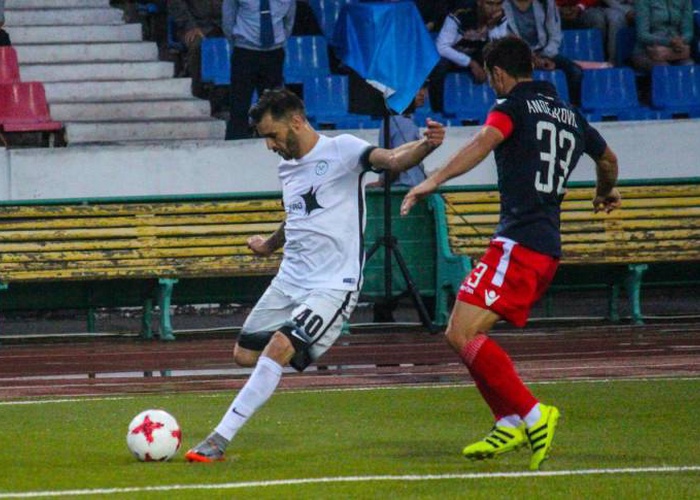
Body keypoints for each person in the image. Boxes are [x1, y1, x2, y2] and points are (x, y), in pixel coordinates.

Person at [185, 88, 445, 462]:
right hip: (290, 280)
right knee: (244, 355)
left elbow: (392, 159)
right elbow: (296, 216)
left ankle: (218, 439)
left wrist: (426, 145)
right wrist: (269, 245)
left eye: (272, 136)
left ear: (296, 121)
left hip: (333, 284)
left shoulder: (343, 150)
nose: (269, 146)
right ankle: (296, 349)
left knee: (278, 347)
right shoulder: (287, 168)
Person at [400, 36, 620, 470]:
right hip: (544, 248)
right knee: (462, 333)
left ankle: (532, 414)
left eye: (489, 78)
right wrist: (604, 192)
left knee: (461, 334)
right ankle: (507, 422)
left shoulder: (512, 107)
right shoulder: (571, 115)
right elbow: (608, 160)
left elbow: (484, 140)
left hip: (519, 244)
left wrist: (433, 179)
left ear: (498, 74)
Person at [223, 0, 296, 140]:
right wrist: (238, 41)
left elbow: (289, 20)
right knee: (239, 102)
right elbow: (228, 19)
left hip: (274, 53)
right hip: (245, 51)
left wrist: (278, 41)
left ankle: (272, 141)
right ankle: (235, 142)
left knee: (273, 104)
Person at [430, 0, 509, 113]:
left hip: (477, 54)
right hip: (453, 57)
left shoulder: (500, 17)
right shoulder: (460, 14)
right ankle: (437, 111)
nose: (494, 9)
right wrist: (471, 63)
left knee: (502, 62)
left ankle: (503, 109)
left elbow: (498, 48)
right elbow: (441, 47)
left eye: (498, 4)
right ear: (479, 2)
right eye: (489, 4)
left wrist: (492, 26)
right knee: (439, 64)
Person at [504, 0, 584, 104]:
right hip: (516, 54)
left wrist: (544, 56)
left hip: (544, 52)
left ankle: (573, 109)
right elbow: (505, 38)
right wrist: (531, 58)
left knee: (575, 72)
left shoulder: (547, 3)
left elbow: (555, 35)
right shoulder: (502, 5)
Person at [375, 85, 430, 188]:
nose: (422, 93)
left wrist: (382, 183)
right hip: (404, 188)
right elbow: (398, 161)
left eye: (424, 88)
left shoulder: (395, 121)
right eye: (417, 88)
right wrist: (382, 183)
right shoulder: (402, 123)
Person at [168, 0, 223, 99]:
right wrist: (190, 26)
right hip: (194, 26)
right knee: (197, 45)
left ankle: (226, 95)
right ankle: (196, 91)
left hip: (223, 26)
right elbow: (176, 4)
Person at [555, 0, 628, 63]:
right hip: (554, 10)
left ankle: (610, 62)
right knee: (597, 18)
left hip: (584, 7)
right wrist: (556, 8)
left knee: (598, 19)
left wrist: (579, 7)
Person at [631, 0, 693, 72]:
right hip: (646, 52)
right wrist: (669, 42)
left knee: (689, 67)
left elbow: (688, 32)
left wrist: (681, 41)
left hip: (676, 51)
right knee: (664, 70)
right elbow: (642, 35)